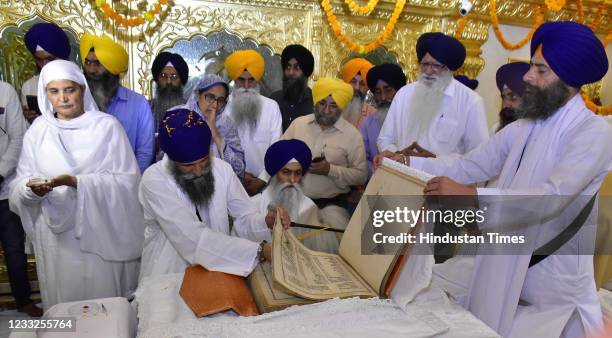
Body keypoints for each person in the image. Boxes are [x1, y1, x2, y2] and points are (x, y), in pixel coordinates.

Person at [396, 22, 610, 338]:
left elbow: (551, 198)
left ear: (567, 80)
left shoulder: (595, 133)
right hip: (503, 262)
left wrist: (472, 198)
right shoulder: (526, 127)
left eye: (540, 70)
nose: (527, 77)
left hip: (552, 289)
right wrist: (404, 162)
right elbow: (470, 165)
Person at [9, 60, 144, 311]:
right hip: (56, 239)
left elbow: (127, 184)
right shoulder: (38, 132)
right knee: (66, 307)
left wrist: (76, 182)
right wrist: (31, 189)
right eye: (54, 91)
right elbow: (20, 184)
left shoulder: (107, 128)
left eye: (69, 89)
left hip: (100, 235)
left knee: (102, 309)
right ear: (45, 94)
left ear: (82, 89)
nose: (63, 98)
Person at [138, 108, 290, 280]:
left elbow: (245, 217)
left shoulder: (222, 169)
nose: (197, 171)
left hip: (221, 270)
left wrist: (265, 221)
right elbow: (191, 239)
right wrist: (259, 250)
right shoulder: (154, 180)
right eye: (188, 165)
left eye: (203, 161)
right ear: (172, 159)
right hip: (168, 273)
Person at [376, 32, 488, 162]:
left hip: (442, 179)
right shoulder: (404, 94)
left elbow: (478, 156)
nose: (428, 72)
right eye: (425, 64)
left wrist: (433, 160)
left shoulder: (470, 102)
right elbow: (385, 139)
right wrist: (398, 155)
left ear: (450, 68)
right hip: (401, 175)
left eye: (436, 66)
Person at [283, 77, 367, 230]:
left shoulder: (353, 135)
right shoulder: (298, 124)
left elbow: (361, 175)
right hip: (293, 203)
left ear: (342, 107)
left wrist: (330, 170)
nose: (326, 110)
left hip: (331, 210)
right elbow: (278, 154)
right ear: (315, 102)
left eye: (333, 105)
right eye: (322, 103)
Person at [80, 33, 154, 172]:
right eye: (88, 62)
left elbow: (145, 151)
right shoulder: (77, 102)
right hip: (86, 183)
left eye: (97, 63)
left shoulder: (138, 104)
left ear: (112, 68)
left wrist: (130, 182)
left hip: (126, 183)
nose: (91, 70)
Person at [254, 139, 340, 253]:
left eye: (298, 173)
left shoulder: (310, 208)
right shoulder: (254, 204)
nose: (293, 180)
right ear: (275, 173)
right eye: (286, 172)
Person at [0, 81, 39, 316]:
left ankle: (23, 301)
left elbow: (17, 139)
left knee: (14, 249)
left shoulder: (5, 92)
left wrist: (0, 173)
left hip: (4, 188)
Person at [223, 49, 282, 195]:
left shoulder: (271, 107)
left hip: (264, 186)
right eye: (241, 80)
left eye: (251, 80)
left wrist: (262, 180)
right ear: (234, 80)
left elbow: (276, 149)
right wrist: (238, 176)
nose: (247, 86)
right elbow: (218, 149)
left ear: (258, 80)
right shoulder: (222, 107)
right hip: (229, 184)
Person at [184, 74, 245, 180]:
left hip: (220, 188)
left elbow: (240, 169)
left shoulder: (227, 124)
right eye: (210, 97)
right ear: (198, 94)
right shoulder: (179, 118)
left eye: (221, 100)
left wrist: (215, 134)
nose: (215, 105)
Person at [360, 63, 406, 179]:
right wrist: (378, 171)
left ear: (400, 90)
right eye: (378, 92)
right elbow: (362, 159)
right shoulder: (368, 124)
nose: (383, 97)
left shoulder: (415, 119)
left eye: (388, 90)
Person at [21, 22, 71, 125]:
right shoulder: (29, 86)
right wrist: (31, 121)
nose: (45, 65)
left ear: (62, 57)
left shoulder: (78, 83)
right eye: (39, 60)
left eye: (50, 59)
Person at [270, 44, 315, 132]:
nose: (291, 72)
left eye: (296, 68)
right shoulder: (274, 99)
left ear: (305, 72)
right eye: (288, 67)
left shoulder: (315, 102)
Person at [150, 52, 189, 148]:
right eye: (163, 76)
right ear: (157, 79)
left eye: (174, 77)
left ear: (181, 80)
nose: (168, 81)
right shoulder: (146, 108)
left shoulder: (190, 108)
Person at [491, 62, 530, 133]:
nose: (504, 105)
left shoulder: (539, 133)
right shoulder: (495, 130)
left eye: (513, 97)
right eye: (503, 98)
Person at [340, 58, 376, 128]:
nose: (357, 87)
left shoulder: (373, 115)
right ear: (345, 82)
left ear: (367, 88)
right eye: (353, 82)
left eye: (362, 84)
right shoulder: (331, 109)